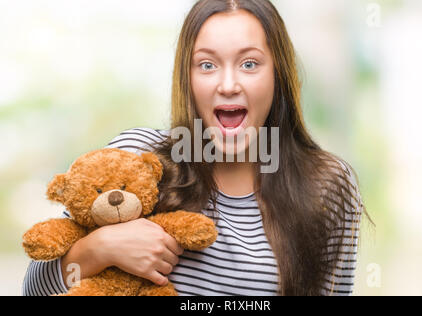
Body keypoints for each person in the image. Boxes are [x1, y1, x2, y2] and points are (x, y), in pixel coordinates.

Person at [22, 0, 370, 296]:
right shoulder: (138, 158)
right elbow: (34, 290)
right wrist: (100, 249)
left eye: (249, 64)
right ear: (187, 78)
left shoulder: (328, 184)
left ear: (277, 74)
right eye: (207, 65)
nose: (228, 84)